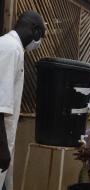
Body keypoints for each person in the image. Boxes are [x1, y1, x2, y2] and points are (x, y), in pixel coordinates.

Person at [0, 11, 45, 189]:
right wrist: (2, 148)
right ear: (34, 30)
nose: (39, 42)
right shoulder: (10, 49)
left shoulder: (13, 48)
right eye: (41, 35)